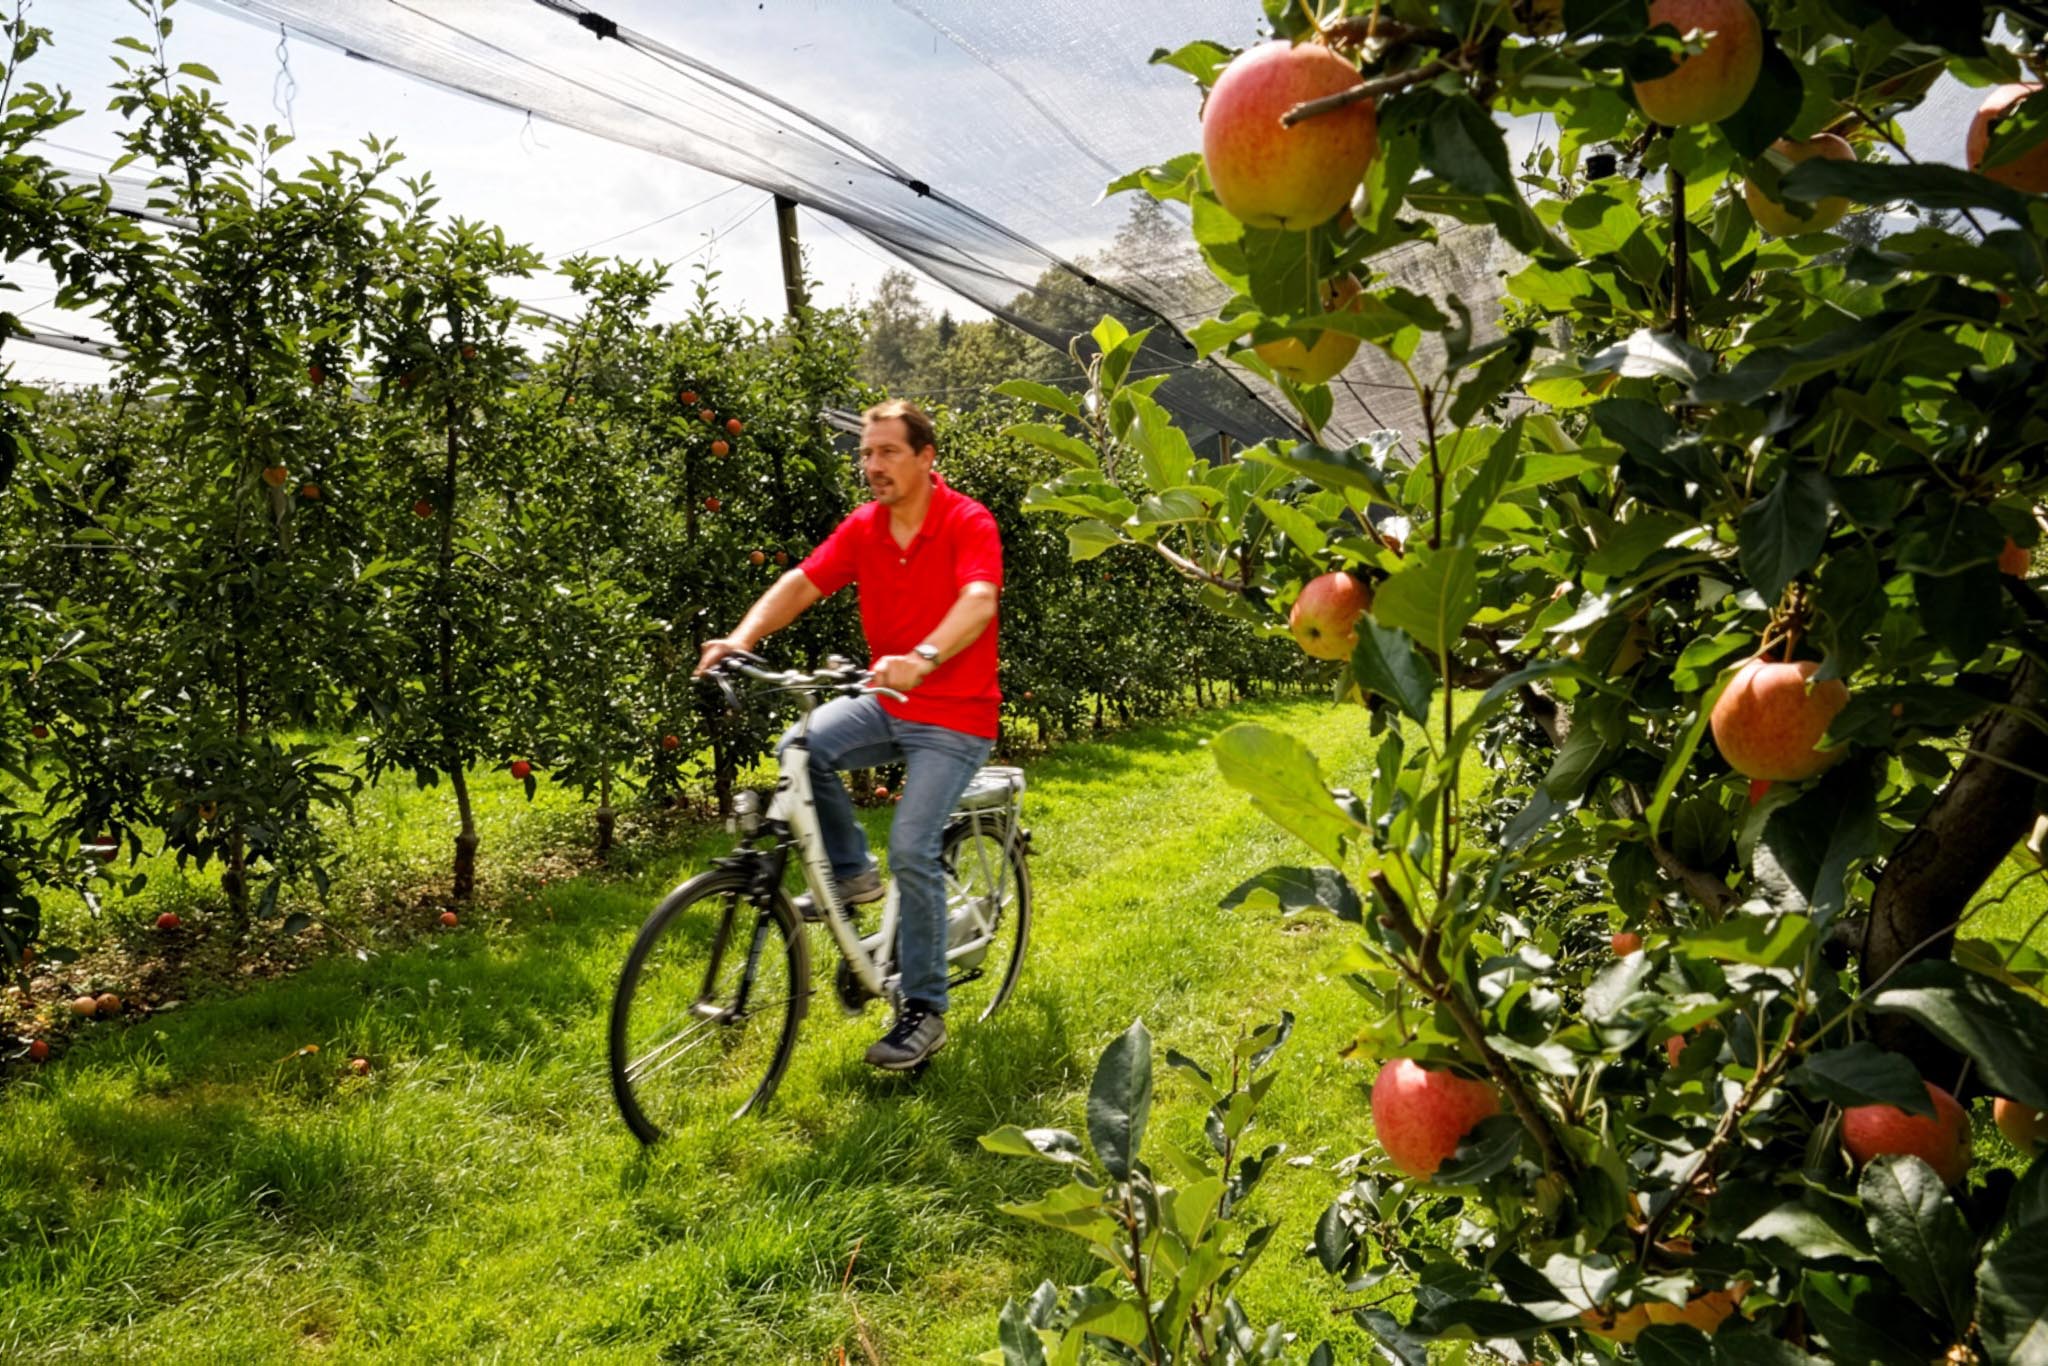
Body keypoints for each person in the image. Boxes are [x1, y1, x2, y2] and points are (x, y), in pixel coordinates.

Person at [695, 400, 1001, 1070]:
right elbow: (803, 581)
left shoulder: (966, 520)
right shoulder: (866, 527)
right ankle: (853, 874)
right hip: (887, 701)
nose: (872, 465)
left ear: (925, 456)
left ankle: (924, 1009)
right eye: (866, 453)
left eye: (888, 451)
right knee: (801, 747)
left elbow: (978, 601)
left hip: (955, 716)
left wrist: (923, 656)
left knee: (913, 847)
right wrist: (741, 638)